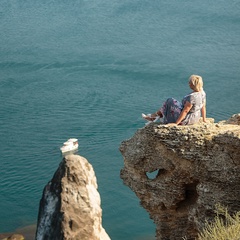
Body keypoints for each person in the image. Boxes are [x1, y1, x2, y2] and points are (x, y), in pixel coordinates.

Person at [142, 75, 207, 125]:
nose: (188, 84)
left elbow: (185, 111)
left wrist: (176, 123)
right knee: (170, 101)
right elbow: (203, 106)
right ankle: (155, 116)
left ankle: (154, 116)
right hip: (196, 117)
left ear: (193, 84)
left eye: (190, 82)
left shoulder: (192, 97)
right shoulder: (202, 93)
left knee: (169, 101)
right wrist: (204, 119)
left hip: (187, 119)